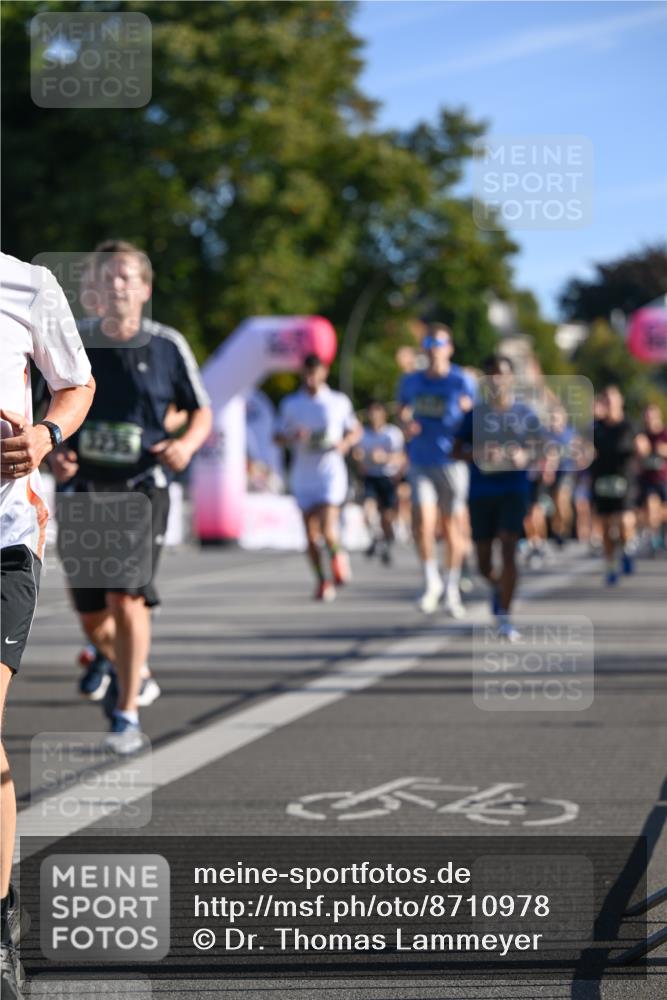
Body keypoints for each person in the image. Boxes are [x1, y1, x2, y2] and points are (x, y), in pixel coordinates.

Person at [48, 240, 211, 753]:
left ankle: (126, 714)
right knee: (92, 613)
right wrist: (55, 451)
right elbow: (43, 409)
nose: (115, 286)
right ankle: (119, 663)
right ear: (94, 289)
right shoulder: (73, 341)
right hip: (81, 489)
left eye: (125, 277)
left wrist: (185, 444)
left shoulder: (167, 345)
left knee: (126, 593)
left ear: (144, 287)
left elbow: (201, 411)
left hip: (144, 488)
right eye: (106, 278)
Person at [1, 252, 95, 998]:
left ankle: (1, 920)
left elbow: (76, 383)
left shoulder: (28, 283)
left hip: (5, 538)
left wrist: (44, 436)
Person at [454, 354, 546, 641]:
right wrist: (478, 454)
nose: (497, 380)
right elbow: (454, 450)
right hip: (482, 491)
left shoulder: (525, 413)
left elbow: (542, 448)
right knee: (483, 562)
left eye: (501, 374)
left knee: (508, 548)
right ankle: (497, 586)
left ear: (511, 379)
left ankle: (505, 614)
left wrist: (525, 454)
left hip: (513, 488)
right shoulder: (475, 414)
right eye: (491, 374)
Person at [398, 324, 474, 616]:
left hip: (452, 462)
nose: (432, 348)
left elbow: (476, 419)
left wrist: (467, 415)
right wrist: (406, 424)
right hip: (421, 459)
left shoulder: (461, 381)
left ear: (449, 348)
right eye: (428, 342)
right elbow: (402, 410)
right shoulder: (411, 381)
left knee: (453, 527)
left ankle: (452, 587)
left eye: (438, 342)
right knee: (423, 524)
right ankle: (432, 582)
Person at [275, 353, 361, 601]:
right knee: (311, 537)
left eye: (316, 372)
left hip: (330, 474)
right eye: (307, 373)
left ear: (324, 373)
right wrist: (293, 436)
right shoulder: (291, 404)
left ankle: (338, 557)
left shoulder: (337, 401)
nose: (311, 378)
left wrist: (345, 444)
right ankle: (322, 580)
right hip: (304, 475)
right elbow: (277, 436)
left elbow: (354, 429)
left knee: (327, 527)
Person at [590, 385, 640, 585]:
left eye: (612, 399)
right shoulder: (596, 427)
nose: (609, 403)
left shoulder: (629, 425)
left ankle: (627, 549)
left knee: (624, 522)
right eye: (606, 399)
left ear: (620, 401)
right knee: (605, 527)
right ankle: (611, 565)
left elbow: (640, 446)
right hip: (602, 479)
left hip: (624, 479)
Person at [354, 401, 405, 565]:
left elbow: (401, 458)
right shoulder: (364, 434)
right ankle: (376, 538)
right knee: (367, 512)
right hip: (371, 477)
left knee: (387, 518)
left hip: (387, 478)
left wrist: (384, 458)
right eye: (371, 414)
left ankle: (386, 543)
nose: (373, 417)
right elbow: (357, 454)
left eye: (377, 414)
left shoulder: (392, 433)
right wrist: (360, 458)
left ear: (383, 415)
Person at [635, 403, 667, 555]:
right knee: (651, 508)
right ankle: (654, 540)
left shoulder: (664, 433)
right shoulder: (642, 435)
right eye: (646, 416)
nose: (649, 419)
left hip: (664, 478)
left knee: (662, 512)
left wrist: (661, 450)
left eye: (652, 416)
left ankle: (662, 534)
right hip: (648, 478)